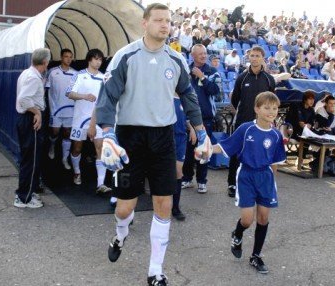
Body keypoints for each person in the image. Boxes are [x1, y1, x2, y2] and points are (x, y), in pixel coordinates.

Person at [95, 4, 212, 285]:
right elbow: (108, 97)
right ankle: (120, 234)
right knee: (124, 209)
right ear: (145, 23)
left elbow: (188, 95)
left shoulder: (176, 59)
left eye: (168, 21)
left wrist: (202, 131)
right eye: (158, 20)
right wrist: (108, 134)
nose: (165, 25)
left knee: (164, 202)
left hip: (162, 138)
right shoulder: (126, 56)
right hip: (129, 138)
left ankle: (155, 270)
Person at [211, 91, 286, 274]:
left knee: (263, 218)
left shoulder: (276, 135)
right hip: (246, 175)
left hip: (265, 178)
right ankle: (237, 234)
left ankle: (256, 256)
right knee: (247, 220)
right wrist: (207, 150)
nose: (271, 111)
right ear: (256, 109)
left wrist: (270, 183)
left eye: (274, 108)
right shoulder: (246, 129)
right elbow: (225, 146)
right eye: (266, 107)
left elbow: (275, 162)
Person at [227, 46, 276, 197]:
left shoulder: (269, 79)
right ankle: (232, 184)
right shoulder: (242, 78)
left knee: (261, 152)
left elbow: (272, 102)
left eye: (257, 56)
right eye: (252, 56)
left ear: (263, 58)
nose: (254, 58)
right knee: (237, 152)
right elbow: (235, 100)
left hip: (262, 125)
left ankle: (258, 184)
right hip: (242, 122)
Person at [66, 49, 111, 195]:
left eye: (100, 60)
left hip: (97, 119)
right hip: (80, 118)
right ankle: (77, 172)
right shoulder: (79, 75)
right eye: (96, 59)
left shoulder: (104, 78)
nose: (98, 62)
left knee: (100, 148)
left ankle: (101, 183)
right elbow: (69, 93)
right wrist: (84, 96)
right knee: (77, 149)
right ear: (89, 59)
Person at [14, 48, 51, 208]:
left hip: (27, 119)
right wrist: (37, 112)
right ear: (45, 62)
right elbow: (23, 99)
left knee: (30, 158)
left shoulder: (27, 73)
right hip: (30, 121)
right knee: (31, 160)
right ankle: (24, 198)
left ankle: (29, 191)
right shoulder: (34, 78)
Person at [181, 44, 220, 194]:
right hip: (188, 118)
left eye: (205, 53)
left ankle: (202, 181)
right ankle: (187, 178)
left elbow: (216, 92)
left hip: (206, 119)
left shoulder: (212, 71)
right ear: (192, 56)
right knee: (188, 151)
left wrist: (202, 77)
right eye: (200, 54)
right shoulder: (185, 71)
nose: (204, 56)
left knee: (204, 151)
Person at [45, 49, 77, 170]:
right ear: (61, 57)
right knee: (55, 132)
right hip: (56, 110)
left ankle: (65, 158)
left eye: (70, 57)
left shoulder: (76, 73)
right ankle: (52, 145)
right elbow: (46, 89)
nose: (68, 59)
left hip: (70, 110)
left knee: (67, 134)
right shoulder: (52, 72)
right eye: (66, 56)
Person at [172, 95, 196, 221]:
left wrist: (191, 129)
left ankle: (175, 207)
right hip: (166, 137)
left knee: (178, 172)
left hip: (181, 138)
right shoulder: (164, 94)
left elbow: (186, 118)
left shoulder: (183, 98)